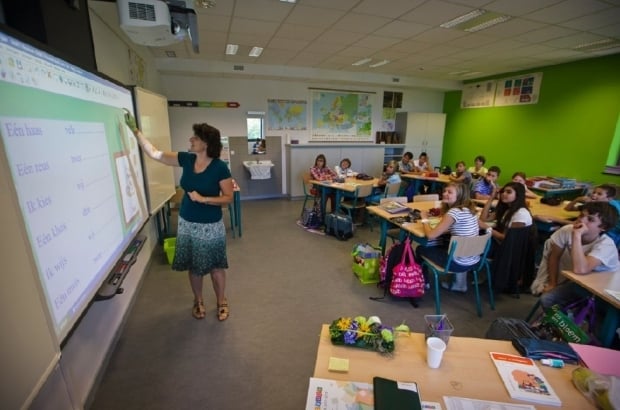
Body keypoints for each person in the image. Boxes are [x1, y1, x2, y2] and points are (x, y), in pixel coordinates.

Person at [124, 112, 233, 321]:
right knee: (194, 265)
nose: (190, 140)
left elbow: (228, 197)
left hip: (210, 224)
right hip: (187, 222)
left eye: (195, 138)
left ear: (206, 143)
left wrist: (204, 199)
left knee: (216, 266)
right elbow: (155, 154)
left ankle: (221, 300)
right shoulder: (186, 158)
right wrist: (136, 131)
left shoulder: (219, 167)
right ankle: (198, 300)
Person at [530, 202, 619, 309]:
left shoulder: (606, 245)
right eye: (581, 215)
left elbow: (580, 269)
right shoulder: (566, 230)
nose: (582, 220)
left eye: (590, 219)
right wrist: (552, 283)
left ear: (603, 227)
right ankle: (558, 323)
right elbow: (554, 257)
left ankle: (564, 321)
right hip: (579, 281)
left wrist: (576, 235)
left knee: (597, 315)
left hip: (604, 288)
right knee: (548, 298)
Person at [416, 182, 481, 293]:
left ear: (459, 196)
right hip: (473, 260)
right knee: (442, 243)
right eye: (445, 191)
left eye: (450, 192)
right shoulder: (470, 210)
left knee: (420, 248)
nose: (445, 193)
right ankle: (460, 284)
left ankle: (423, 283)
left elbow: (431, 235)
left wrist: (424, 219)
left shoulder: (454, 212)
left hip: (456, 263)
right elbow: (455, 228)